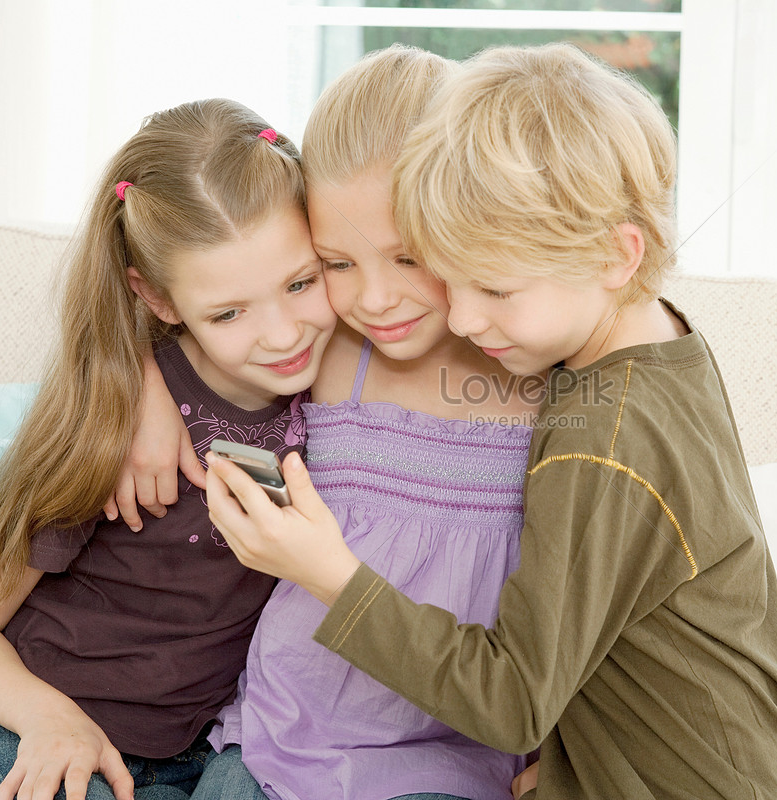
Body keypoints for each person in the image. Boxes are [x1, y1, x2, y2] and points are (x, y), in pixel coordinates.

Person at [206, 43, 777, 800]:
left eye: (492, 286)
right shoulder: (660, 345)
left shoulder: (602, 439)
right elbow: (601, 611)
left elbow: (512, 696)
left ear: (616, 255)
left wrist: (330, 572)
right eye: (452, 275)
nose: (463, 316)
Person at [120, 46, 538, 800]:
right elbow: (204, 306)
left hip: (452, 752)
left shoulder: (533, 363)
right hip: (281, 732)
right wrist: (144, 389)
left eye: (409, 257)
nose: (375, 299)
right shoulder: (333, 346)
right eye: (338, 263)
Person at [0, 98, 335, 800]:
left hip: (188, 763)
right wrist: (51, 720)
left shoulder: (348, 394)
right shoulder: (111, 417)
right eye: (229, 312)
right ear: (159, 299)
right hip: (24, 727)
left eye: (301, 282)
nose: (283, 334)